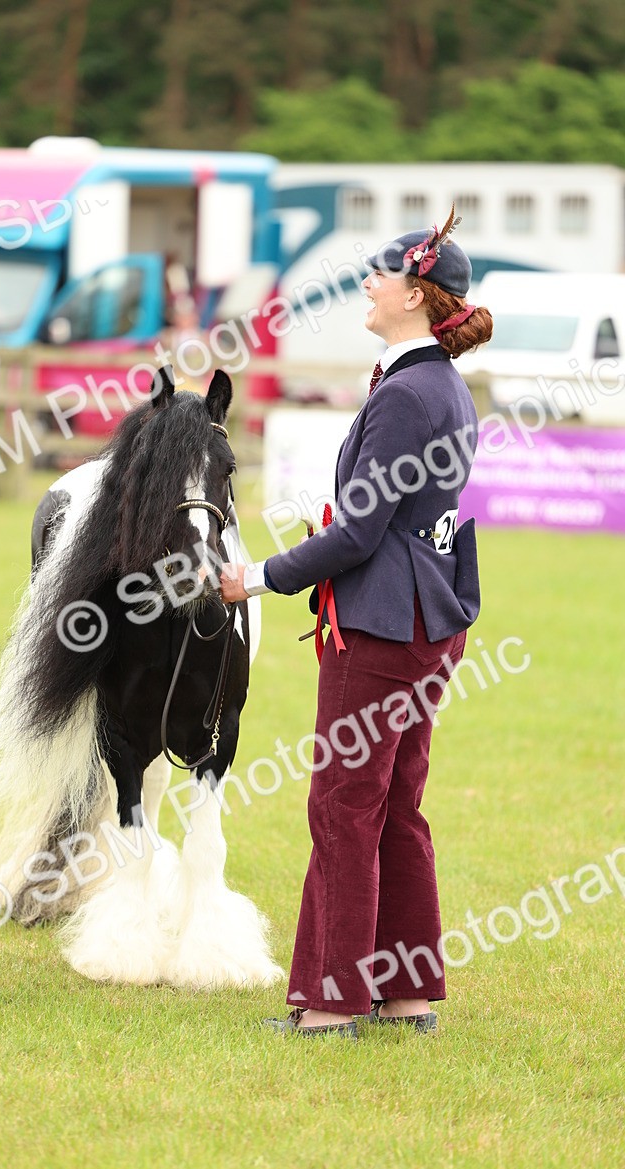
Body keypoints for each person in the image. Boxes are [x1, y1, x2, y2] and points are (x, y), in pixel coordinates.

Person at [220, 211, 493, 1036]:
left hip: (382, 626)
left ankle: (332, 1005)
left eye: (377, 275)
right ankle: (406, 994)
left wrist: (257, 578)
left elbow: (359, 533)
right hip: (426, 618)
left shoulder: (410, 392)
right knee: (394, 806)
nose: (366, 286)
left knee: (345, 805)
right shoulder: (438, 384)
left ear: (415, 293)